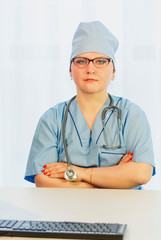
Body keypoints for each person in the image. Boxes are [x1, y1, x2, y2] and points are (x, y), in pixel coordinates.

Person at [24, 21, 155, 189]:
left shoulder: (132, 114)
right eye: (81, 61)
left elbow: (141, 173)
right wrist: (114, 179)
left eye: (100, 61)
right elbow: (43, 180)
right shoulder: (52, 119)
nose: (90, 69)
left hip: (124, 213)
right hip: (65, 212)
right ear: (70, 70)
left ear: (113, 71)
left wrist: (80, 174)